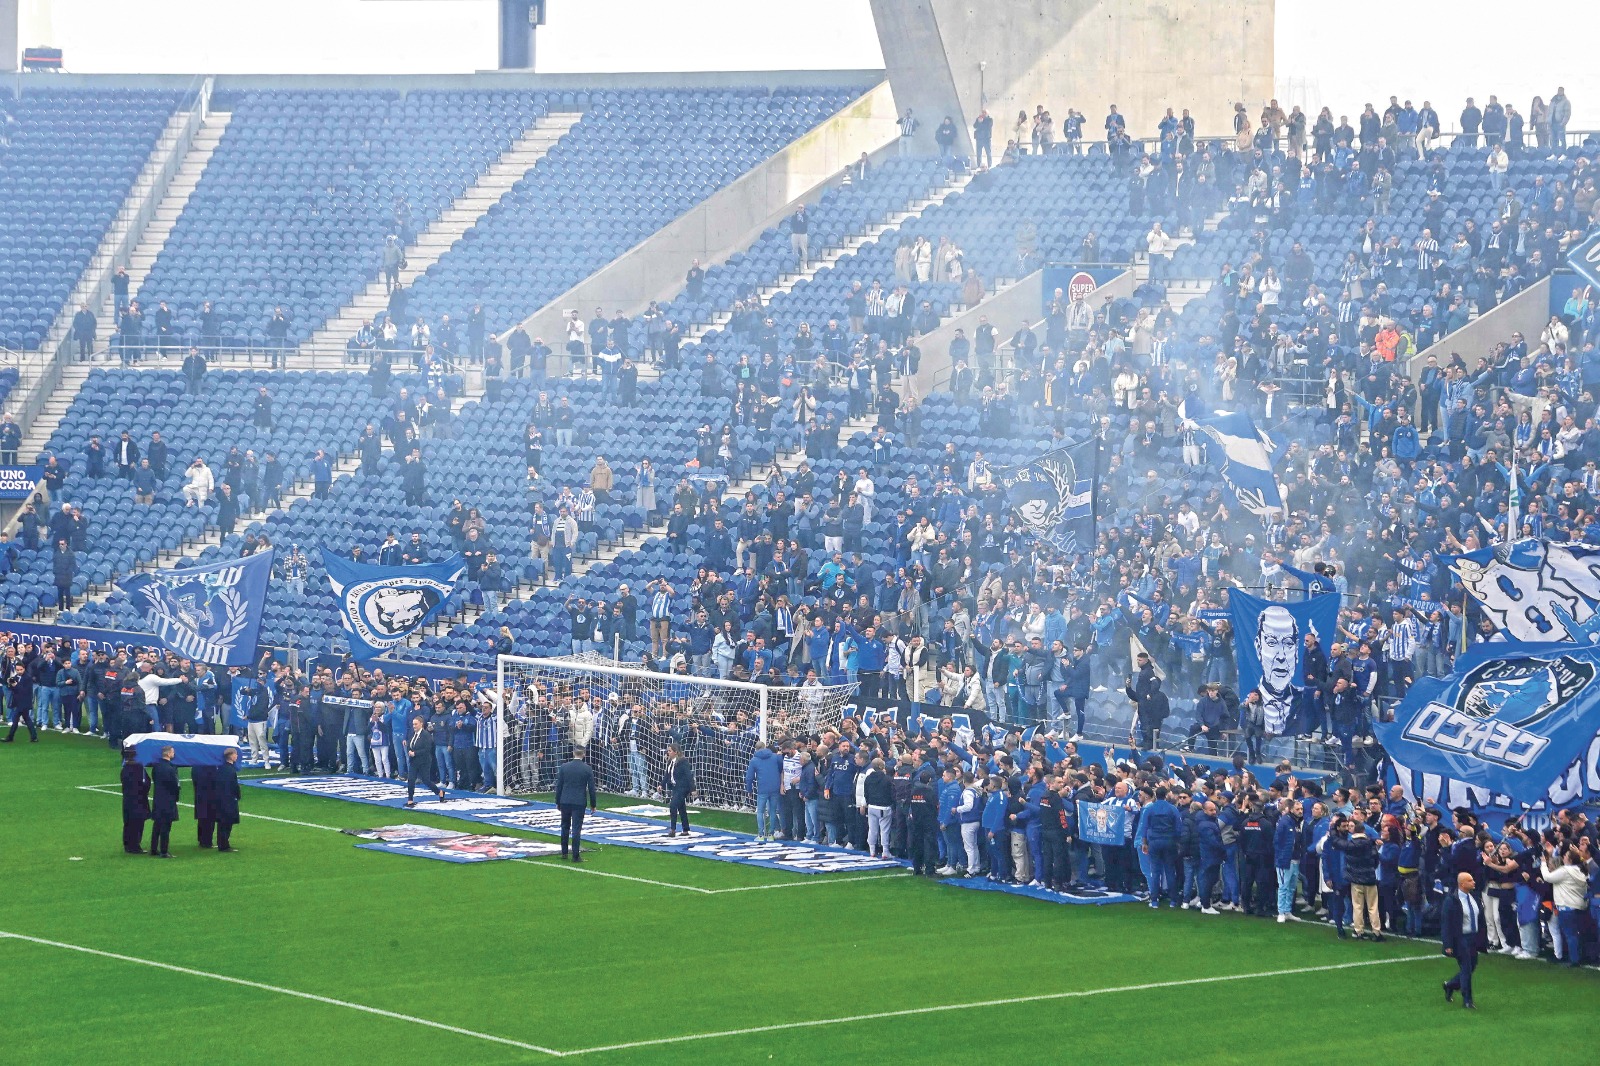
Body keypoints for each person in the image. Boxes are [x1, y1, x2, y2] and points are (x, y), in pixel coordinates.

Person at [1441, 870, 1484, 1008]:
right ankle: (1467, 1000)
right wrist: (1448, 944)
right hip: (1461, 938)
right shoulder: (1451, 900)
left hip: (1473, 937)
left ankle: (1450, 985)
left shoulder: (1474, 897)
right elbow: (1446, 923)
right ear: (1462, 884)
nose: (1474, 882)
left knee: (1472, 966)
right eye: (1470, 880)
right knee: (1466, 967)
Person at [555, 745, 597, 861]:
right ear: (584, 754)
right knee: (576, 829)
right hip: (579, 802)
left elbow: (559, 786)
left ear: (573, 753)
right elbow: (592, 789)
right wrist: (593, 805)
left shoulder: (564, 767)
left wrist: (558, 801)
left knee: (564, 826)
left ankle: (564, 853)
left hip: (565, 801)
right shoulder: (587, 769)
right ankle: (575, 855)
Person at [403, 715, 445, 808]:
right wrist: (409, 751)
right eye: (413, 724)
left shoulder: (426, 735)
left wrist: (415, 753)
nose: (414, 726)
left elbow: (427, 749)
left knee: (426, 780)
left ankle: (439, 792)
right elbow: (410, 744)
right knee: (411, 780)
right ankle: (410, 800)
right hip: (414, 761)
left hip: (424, 761)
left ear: (421, 724)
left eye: (416, 724)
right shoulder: (413, 734)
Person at [150, 745, 180, 858]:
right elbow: (174, 785)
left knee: (157, 825)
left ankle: (153, 849)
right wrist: (176, 797)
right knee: (166, 827)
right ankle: (164, 851)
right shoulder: (170, 769)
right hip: (168, 800)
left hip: (158, 799)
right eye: (173, 752)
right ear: (168, 754)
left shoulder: (156, 767)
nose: (174, 754)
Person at [120, 747, 150, 854]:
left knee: (128, 822)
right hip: (139, 800)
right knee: (137, 823)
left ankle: (127, 844)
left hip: (128, 799)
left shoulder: (124, 769)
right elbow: (146, 783)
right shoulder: (139, 769)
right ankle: (135, 846)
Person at [662, 742, 694, 837]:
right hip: (675, 787)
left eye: (670, 751)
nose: (668, 753)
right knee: (681, 808)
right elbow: (667, 775)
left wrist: (692, 789)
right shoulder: (670, 761)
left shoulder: (683, 762)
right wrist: (662, 785)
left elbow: (689, 775)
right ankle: (685, 829)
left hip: (683, 788)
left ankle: (672, 829)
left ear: (676, 752)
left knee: (673, 805)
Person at [214, 747, 241, 852]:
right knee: (227, 823)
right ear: (231, 756)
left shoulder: (221, 768)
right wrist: (237, 796)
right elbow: (234, 786)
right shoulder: (230, 770)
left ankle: (222, 843)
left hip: (220, 799)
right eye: (235, 754)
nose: (237, 756)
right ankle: (224, 845)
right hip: (228, 800)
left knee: (222, 823)